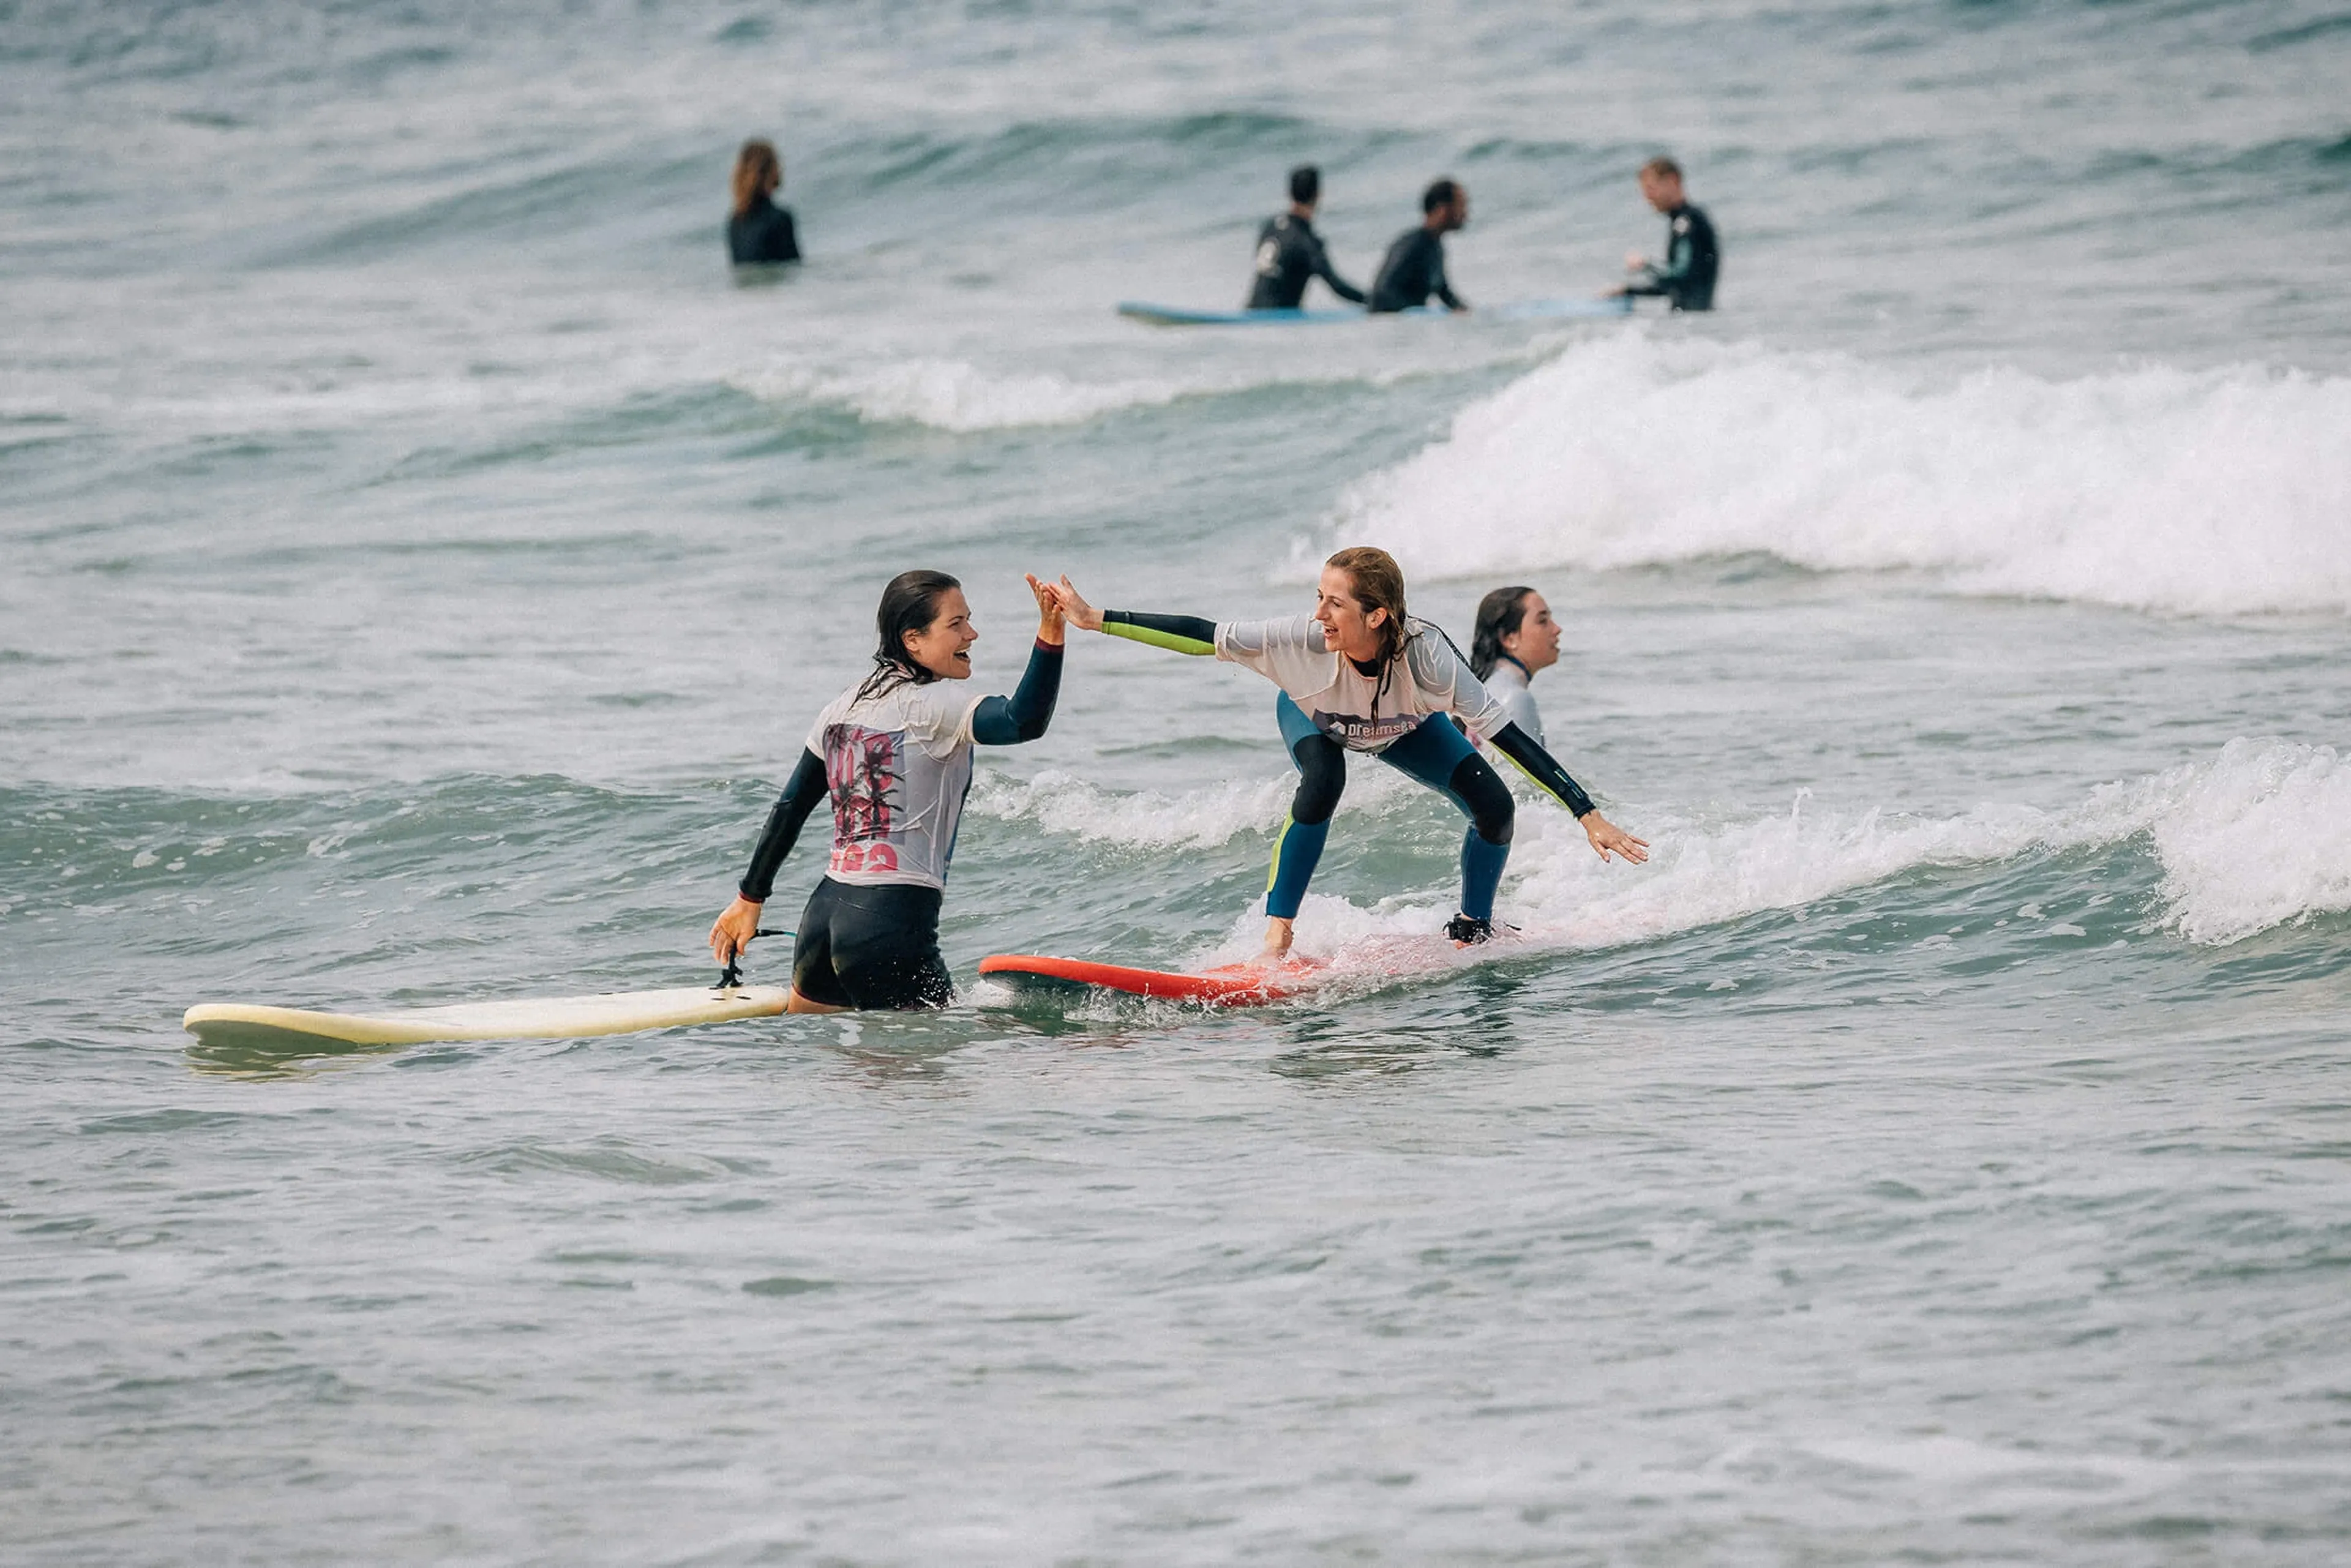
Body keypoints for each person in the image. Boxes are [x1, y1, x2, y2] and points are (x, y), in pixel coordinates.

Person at [1046, 549, 1644, 959]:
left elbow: (1506, 734)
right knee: (1324, 779)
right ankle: (1278, 933)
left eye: (1335, 603)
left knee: (1494, 806)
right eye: (1318, 597)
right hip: (1315, 714)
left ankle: (1473, 927)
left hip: (1402, 726)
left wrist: (1585, 811)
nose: (1319, 614)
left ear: (1378, 614)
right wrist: (1096, 619)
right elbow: (1201, 634)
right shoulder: (1300, 641)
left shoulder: (1427, 654)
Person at [707, 571, 1064, 1010]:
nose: (972, 633)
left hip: (822, 919)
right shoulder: (936, 705)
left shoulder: (842, 707)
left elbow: (791, 806)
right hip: (889, 924)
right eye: (956, 624)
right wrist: (1050, 636)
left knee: (831, 1077)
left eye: (968, 620)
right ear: (913, 639)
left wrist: (749, 899)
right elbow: (1021, 720)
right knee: (925, 1076)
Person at [1247, 165, 1367, 311]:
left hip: (1250, 314)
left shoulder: (1270, 227)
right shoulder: (1307, 242)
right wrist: (1373, 300)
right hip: (1278, 325)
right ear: (1318, 195)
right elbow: (1337, 287)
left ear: (1289, 193)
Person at [1614, 156, 1717, 311]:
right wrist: (1628, 290)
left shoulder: (1687, 222)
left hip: (1692, 321)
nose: (1647, 197)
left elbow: (1682, 275)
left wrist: (1645, 265)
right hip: (1694, 324)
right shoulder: (1685, 220)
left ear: (1672, 181)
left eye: (1651, 189)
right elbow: (1675, 286)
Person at [1469, 585, 1559, 746]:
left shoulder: (1483, 691)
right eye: (1543, 621)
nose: (1557, 629)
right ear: (1509, 639)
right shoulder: (1515, 699)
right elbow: (1524, 772)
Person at [1369, 179, 1469, 313]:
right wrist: (1415, 315)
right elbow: (1381, 294)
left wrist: (1466, 312)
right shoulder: (1413, 246)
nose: (1465, 213)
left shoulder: (1435, 247)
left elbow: (1444, 291)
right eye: (1461, 205)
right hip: (1392, 327)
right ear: (1442, 209)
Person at [727, 138, 801, 265]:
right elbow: (793, 269)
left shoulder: (735, 222)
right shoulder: (780, 219)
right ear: (770, 172)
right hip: (776, 285)